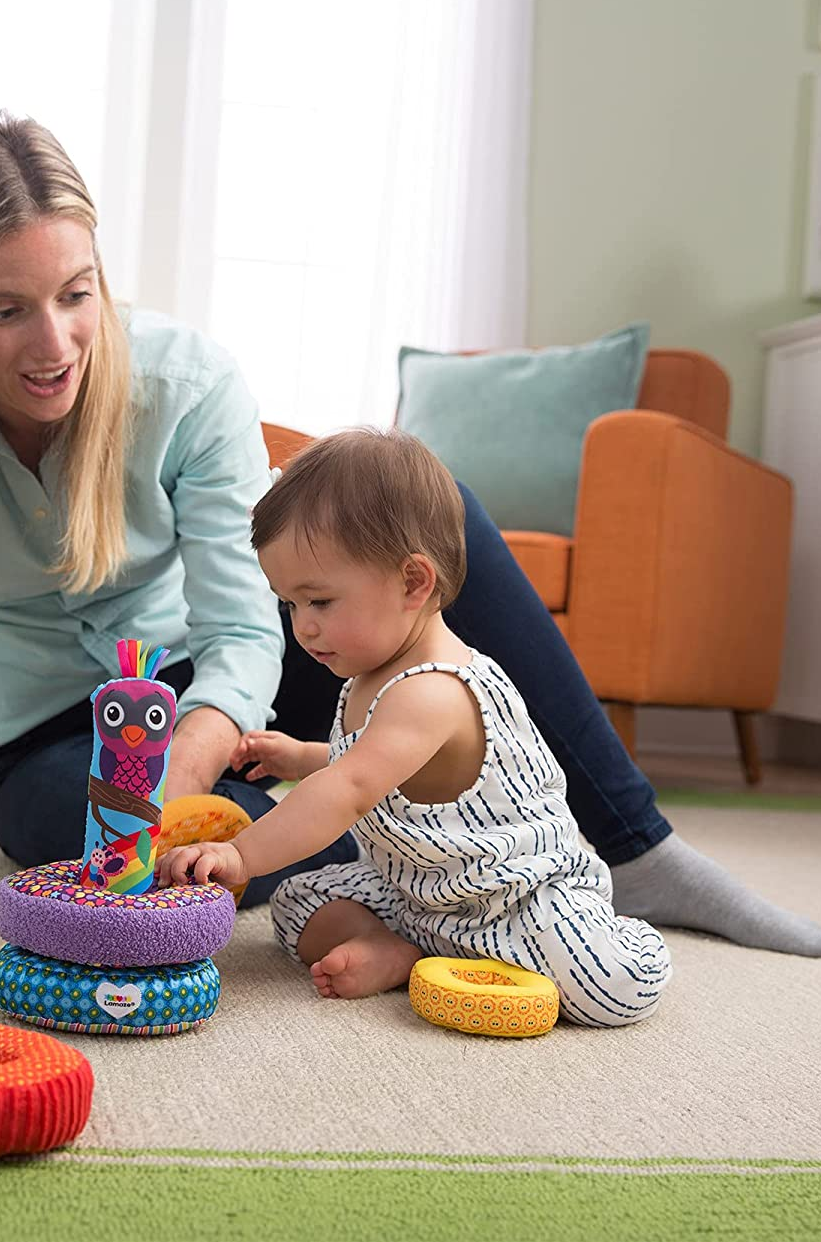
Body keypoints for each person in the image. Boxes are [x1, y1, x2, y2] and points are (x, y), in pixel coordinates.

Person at [0, 113, 821, 960]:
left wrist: (202, 747)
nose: (55, 347)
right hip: (62, 733)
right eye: (4, 312)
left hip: (245, 680)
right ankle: (443, 872)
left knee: (427, 510)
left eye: (77, 296)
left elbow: (232, 620)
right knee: (88, 836)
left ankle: (636, 852)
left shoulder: (185, 381)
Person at [157, 429, 673, 1022]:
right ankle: (405, 951)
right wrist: (301, 756)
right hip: (415, 893)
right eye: (289, 605)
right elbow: (379, 771)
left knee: (609, 987)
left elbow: (351, 788)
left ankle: (610, 934)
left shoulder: (434, 690)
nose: (302, 628)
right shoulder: (369, 672)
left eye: (319, 602)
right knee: (300, 906)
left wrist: (242, 856)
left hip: (515, 900)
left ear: (412, 582)